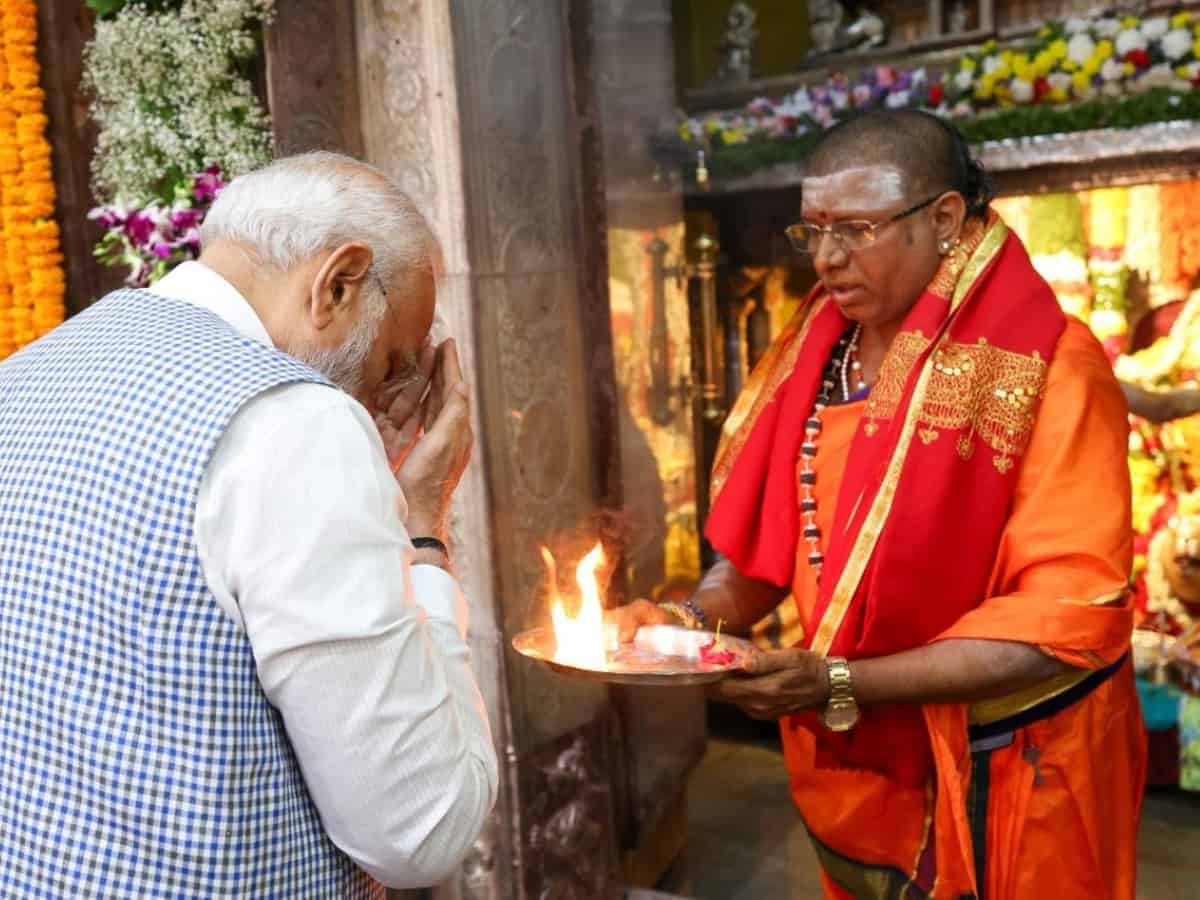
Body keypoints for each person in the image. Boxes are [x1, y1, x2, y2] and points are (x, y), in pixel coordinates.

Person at [611, 111, 1144, 899]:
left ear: (944, 219)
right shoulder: (814, 354)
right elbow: (774, 548)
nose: (826, 258)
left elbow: (1062, 625)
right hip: (855, 773)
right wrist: (691, 624)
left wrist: (838, 683)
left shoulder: (1053, 369)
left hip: (1012, 772)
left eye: (856, 229)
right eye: (812, 230)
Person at [0, 153, 499, 896]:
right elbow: (418, 828)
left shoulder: (26, 373)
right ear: (338, 282)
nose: (387, 394)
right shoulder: (295, 422)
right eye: (395, 360)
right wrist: (423, 529)